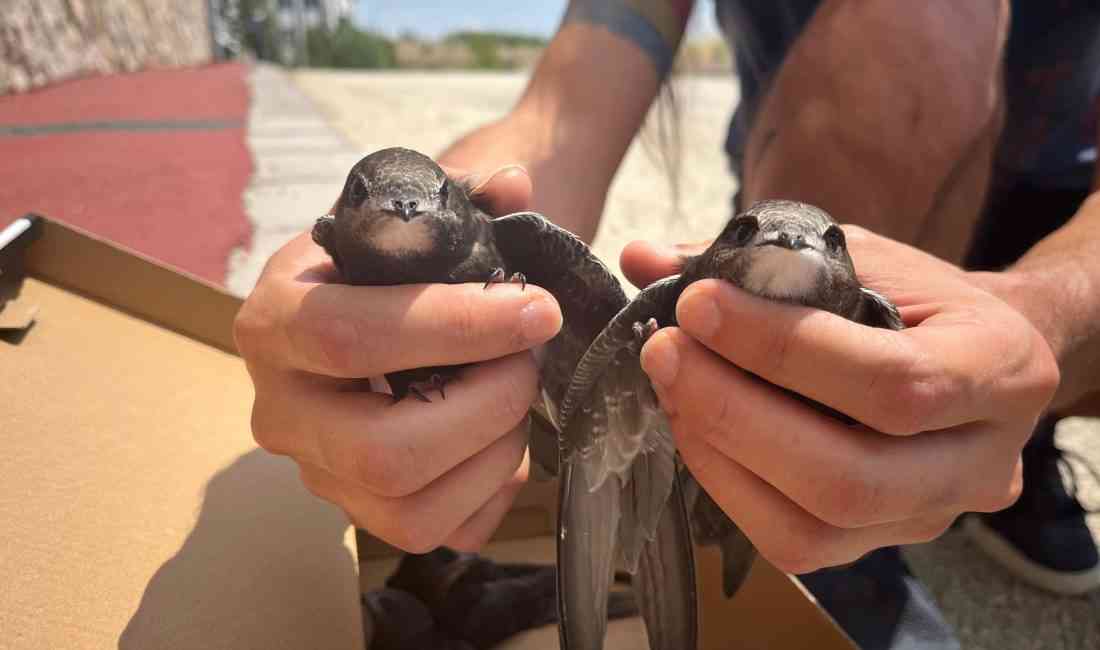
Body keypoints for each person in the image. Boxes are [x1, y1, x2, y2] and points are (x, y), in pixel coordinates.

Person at [233, 1, 1100, 647]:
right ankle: (802, 473)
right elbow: (560, 119)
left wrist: (1040, 315)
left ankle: (924, 458)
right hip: (814, 193)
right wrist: (408, 275)